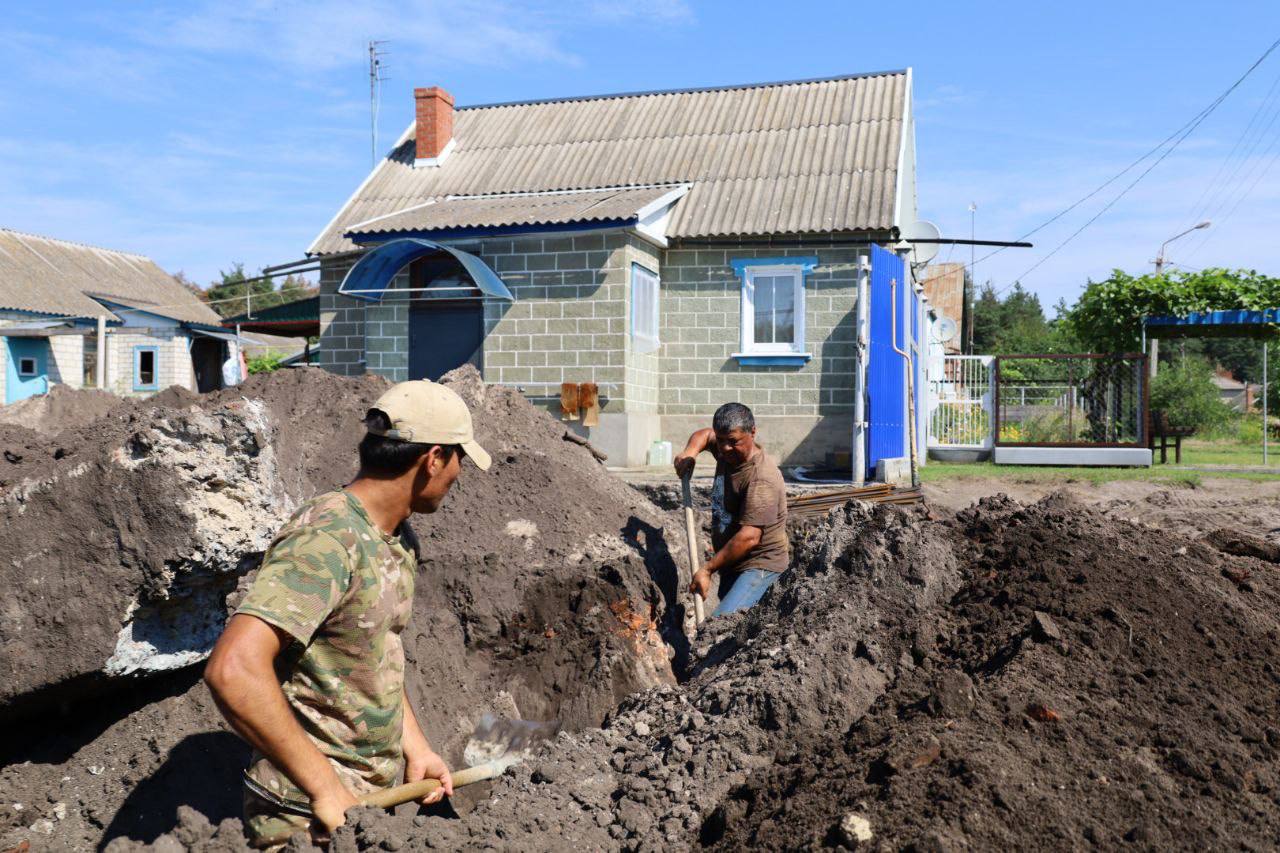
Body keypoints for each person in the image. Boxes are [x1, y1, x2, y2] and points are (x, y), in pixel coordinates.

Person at [204, 380, 492, 848]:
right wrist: (325, 788)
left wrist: (415, 748)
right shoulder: (327, 539)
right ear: (434, 458)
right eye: (459, 459)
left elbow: (375, 658)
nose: (459, 474)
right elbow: (233, 669)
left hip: (369, 805)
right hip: (304, 818)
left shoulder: (397, 538)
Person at [673, 402, 789, 616]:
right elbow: (705, 435)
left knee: (720, 627)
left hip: (759, 567)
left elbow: (749, 537)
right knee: (733, 635)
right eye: (722, 440)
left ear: (752, 432)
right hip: (733, 564)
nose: (725, 447)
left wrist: (707, 570)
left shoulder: (761, 478)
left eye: (733, 441)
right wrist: (689, 453)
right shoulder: (727, 451)